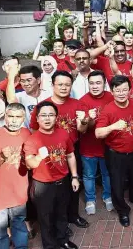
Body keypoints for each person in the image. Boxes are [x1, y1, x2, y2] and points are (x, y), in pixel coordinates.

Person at [29, 71, 89, 230]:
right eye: (60, 84)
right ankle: (60, 222)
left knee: (75, 182)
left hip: (72, 150)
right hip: (50, 153)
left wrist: (84, 121)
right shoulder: (43, 106)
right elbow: (34, 130)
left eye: (67, 84)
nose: (64, 87)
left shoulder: (77, 104)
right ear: (52, 85)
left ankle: (73, 215)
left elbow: (82, 130)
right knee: (54, 190)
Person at [24, 101, 79, 249]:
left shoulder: (63, 133)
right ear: (37, 118)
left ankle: (63, 239)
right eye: (43, 115)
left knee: (62, 213)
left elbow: (70, 155)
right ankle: (49, 245)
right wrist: (39, 157)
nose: (47, 118)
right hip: (42, 185)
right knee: (45, 218)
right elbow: (30, 164)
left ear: (56, 117)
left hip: (63, 181)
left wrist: (74, 177)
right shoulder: (32, 139)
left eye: (51, 115)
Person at [95, 75, 133, 227]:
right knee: (117, 183)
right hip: (115, 154)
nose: (121, 93)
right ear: (112, 91)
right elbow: (98, 133)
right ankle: (122, 210)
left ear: (129, 90)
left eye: (124, 90)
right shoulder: (108, 110)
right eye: (117, 90)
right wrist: (113, 127)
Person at [0, 103, 30, 249]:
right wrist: (2, 157)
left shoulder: (26, 133)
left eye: (18, 117)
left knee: (20, 228)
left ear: (23, 118)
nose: (14, 120)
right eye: (10, 116)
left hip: (19, 193)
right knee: (0, 235)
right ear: (5, 116)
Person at [78, 71, 114, 215]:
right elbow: (81, 129)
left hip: (107, 145)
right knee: (88, 175)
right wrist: (87, 119)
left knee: (107, 174)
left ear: (105, 83)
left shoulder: (111, 97)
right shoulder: (82, 101)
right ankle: (90, 199)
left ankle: (108, 196)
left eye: (98, 83)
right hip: (88, 147)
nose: (95, 86)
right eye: (91, 83)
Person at [6, 65, 52, 129]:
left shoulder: (49, 95)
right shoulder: (19, 97)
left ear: (38, 80)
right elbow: (11, 101)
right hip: (28, 136)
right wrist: (11, 77)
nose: (26, 84)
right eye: (23, 81)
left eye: (29, 80)